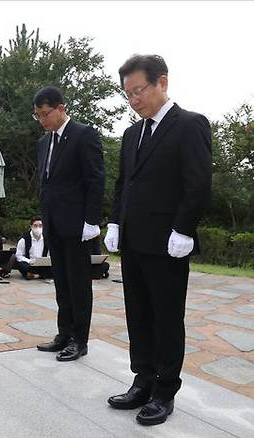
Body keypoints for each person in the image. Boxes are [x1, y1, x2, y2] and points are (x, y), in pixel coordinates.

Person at [104, 55, 211, 426]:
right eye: (128, 94)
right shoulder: (132, 133)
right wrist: (115, 223)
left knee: (166, 318)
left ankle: (165, 390)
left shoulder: (189, 125)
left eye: (139, 90)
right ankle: (142, 379)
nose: (134, 100)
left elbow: (197, 185)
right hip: (133, 241)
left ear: (162, 82)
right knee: (138, 314)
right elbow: (123, 185)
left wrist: (184, 229)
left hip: (168, 243)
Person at [33, 86, 105, 362]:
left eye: (45, 113)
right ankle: (63, 333)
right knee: (61, 282)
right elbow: (47, 184)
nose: (42, 120)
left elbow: (95, 179)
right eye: (37, 115)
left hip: (77, 225)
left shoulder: (84, 135)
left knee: (78, 283)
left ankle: (79, 339)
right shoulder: (43, 143)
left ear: (61, 108)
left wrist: (91, 220)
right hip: (53, 223)